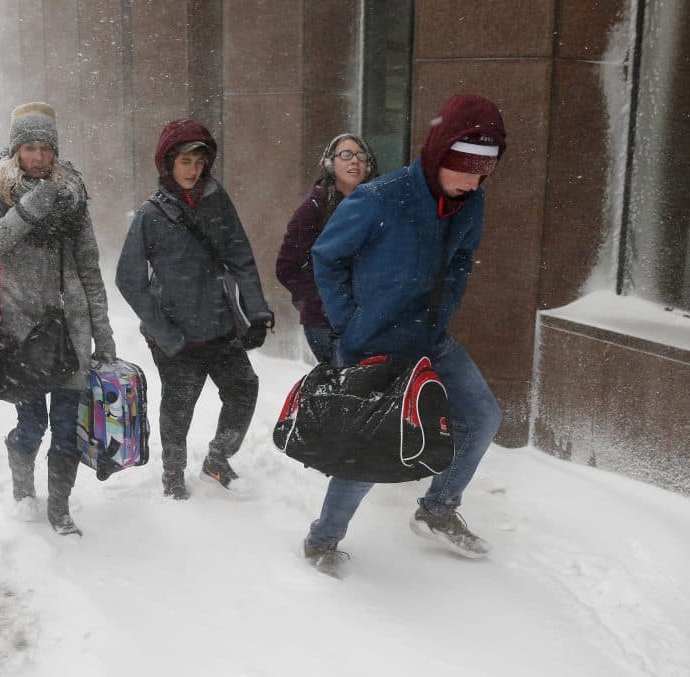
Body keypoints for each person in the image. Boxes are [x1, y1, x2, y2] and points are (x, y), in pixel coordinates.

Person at [303, 93, 507, 575]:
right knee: (369, 451)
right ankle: (322, 541)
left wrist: (447, 304)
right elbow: (325, 256)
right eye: (465, 166)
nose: (473, 180)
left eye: (485, 169)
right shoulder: (380, 199)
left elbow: (460, 257)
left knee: (481, 416)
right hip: (374, 344)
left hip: (431, 339)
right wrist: (351, 323)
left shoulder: (470, 202)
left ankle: (437, 508)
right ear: (440, 152)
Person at [0, 102, 115, 536]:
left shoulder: (72, 193)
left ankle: (60, 509)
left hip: (71, 331)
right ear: (15, 152)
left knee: (67, 429)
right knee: (32, 423)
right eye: (29, 148)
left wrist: (103, 335)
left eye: (45, 148)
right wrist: (28, 210)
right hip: (21, 330)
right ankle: (21, 486)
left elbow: (90, 267)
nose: (38, 157)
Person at [116, 118, 273, 500]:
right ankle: (173, 471)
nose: (193, 169)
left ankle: (218, 458)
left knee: (244, 388)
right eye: (185, 161)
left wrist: (257, 312)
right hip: (177, 334)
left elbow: (241, 258)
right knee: (179, 405)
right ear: (168, 163)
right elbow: (128, 280)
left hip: (219, 326)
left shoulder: (217, 200)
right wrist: (166, 332)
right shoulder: (150, 215)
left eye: (199, 162)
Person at [276, 134, 379, 362]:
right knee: (348, 383)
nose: (354, 161)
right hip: (325, 324)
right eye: (346, 155)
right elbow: (286, 267)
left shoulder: (380, 206)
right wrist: (321, 299)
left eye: (361, 156)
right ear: (330, 163)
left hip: (371, 319)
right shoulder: (313, 209)